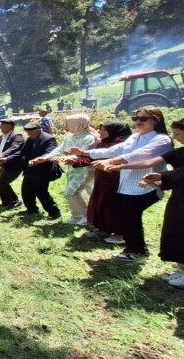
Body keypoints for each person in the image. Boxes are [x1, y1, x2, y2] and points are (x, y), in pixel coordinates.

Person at [68, 106, 172, 261]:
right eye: (135, 118)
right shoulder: (135, 137)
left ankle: (137, 251)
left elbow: (138, 155)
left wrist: (111, 162)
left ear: (156, 120)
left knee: (130, 216)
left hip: (146, 186)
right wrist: (84, 153)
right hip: (128, 184)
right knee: (127, 217)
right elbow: (115, 150)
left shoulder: (161, 139)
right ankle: (132, 249)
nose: (138, 122)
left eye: (143, 119)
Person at [110, 117, 184, 283]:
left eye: (178, 134)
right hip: (180, 198)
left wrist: (162, 177)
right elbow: (154, 161)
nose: (175, 137)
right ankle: (181, 269)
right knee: (174, 231)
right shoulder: (182, 151)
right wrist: (123, 165)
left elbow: (183, 174)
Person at [31, 114, 98, 224]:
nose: (66, 125)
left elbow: (85, 155)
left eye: (69, 123)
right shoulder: (70, 136)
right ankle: (76, 216)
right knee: (71, 192)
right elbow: (59, 149)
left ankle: (86, 216)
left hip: (85, 171)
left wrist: (65, 158)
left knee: (71, 192)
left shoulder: (89, 138)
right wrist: (45, 158)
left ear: (77, 124)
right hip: (72, 170)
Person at [70, 122, 131, 241]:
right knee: (101, 203)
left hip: (116, 179)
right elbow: (93, 158)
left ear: (114, 132)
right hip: (102, 179)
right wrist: (75, 162)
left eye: (104, 130)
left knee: (114, 205)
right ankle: (103, 230)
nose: (100, 132)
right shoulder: (103, 144)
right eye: (100, 129)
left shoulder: (123, 145)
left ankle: (120, 234)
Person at [20, 123, 61, 218]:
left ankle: (54, 212)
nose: (28, 134)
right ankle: (32, 209)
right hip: (30, 169)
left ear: (38, 130)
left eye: (30, 132)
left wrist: (38, 160)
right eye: (27, 132)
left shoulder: (49, 139)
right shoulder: (30, 139)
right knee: (26, 190)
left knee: (41, 191)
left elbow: (50, 152)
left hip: (44, 170)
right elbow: (23, 152)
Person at [0, 119, 25, 208]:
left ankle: (15, 200)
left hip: (14, 164)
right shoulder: (2, 136)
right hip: (5, 163)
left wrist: (3, 155)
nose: (0, 126)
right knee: (0, 182)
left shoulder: (17, 136)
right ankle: (6, 202)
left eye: (2, 125)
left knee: (2, 182)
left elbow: (14, 148)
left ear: (9, 126)